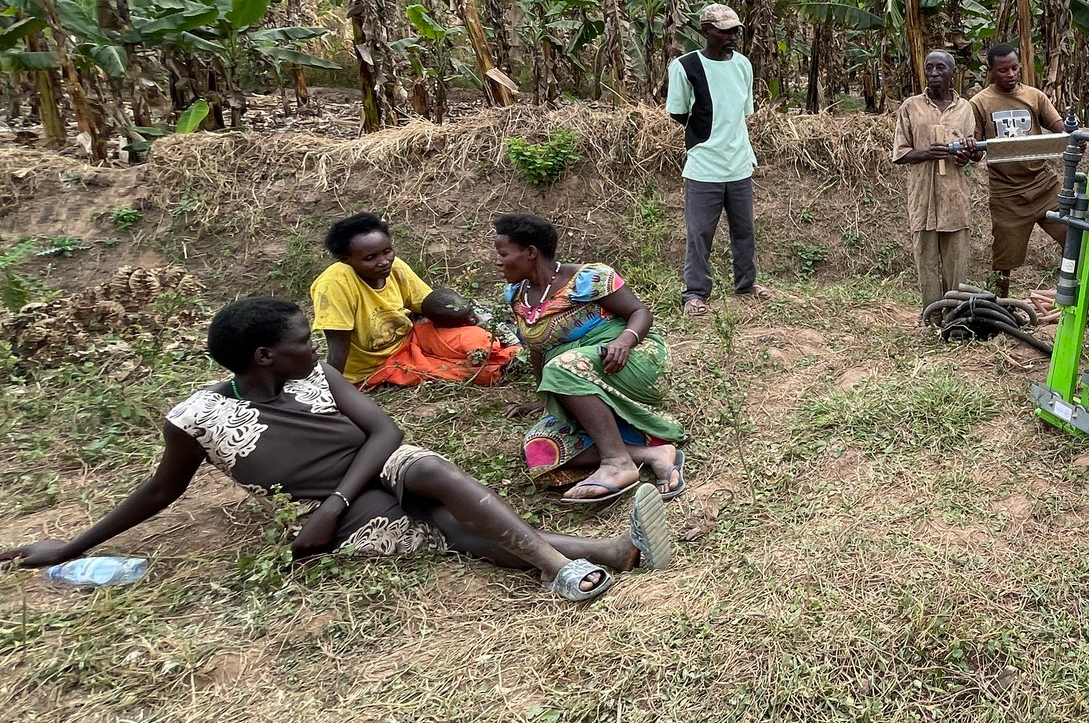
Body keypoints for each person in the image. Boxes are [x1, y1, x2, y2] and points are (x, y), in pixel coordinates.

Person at [0, 298, 672, 602]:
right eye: (301, 340)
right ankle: (613, 554)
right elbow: (158, 492)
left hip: (367, 479)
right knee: (456, 534)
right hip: (338, 518)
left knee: (431, 470)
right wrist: (72, 545)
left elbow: (386, 434)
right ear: (266, 355)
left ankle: (557, 567)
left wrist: (343, 496)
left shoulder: (318, 377)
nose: (315, 350)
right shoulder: (196, 417)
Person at [494, 212, 686, 504]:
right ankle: (653, 454)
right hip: (574, 374)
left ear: (530, 253)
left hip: (627, 359)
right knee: (540, 448)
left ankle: (616, 462)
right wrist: (544, 395)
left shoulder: (588, 278)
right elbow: (538, 350)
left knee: (562, 367)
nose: (497, 261)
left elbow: (640, 313)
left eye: (503, 254)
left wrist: (624, 341)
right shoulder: (517, 296)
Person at [666, 2, 764, 318]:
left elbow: (742, 112)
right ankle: (694, 294)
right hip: (704, 166)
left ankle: (746, 284)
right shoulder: (685, 66)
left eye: (735, 30)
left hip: (739, 163)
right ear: (705, 31)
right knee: (699, 234)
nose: (732, 36)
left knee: (744, 229)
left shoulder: (743, 65)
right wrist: (706, 136)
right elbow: (678, 112)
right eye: (724, 31)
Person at [968, 42, 1066, 297]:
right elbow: (977, 151)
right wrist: (969, 146)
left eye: (1014, 68)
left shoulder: (1035, 97)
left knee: (1074, 238)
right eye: (1003, 70)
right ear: (990, 71)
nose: (1010, 74)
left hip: (1044, 186)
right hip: (1007, 194)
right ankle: (1001, 306)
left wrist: (1071, 134)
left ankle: (1073, 294)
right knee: (1004, 260)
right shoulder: (980, 103)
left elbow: (1060, 130)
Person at [893, 50, 985, 311]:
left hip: (954, 196)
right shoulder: (911, 107)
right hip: (922, 197)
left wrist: (968, 152)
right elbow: (900, 153)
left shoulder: (965, 108)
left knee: (956, 260)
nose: (934, 73)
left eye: (941, 68)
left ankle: (955, 315)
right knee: (926, 259)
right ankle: (931, 315)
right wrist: (925, 153)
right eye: (930, 68)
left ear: (952, 73)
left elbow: (974, 152)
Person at [310, 213, 434, 384]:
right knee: (453, 368)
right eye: (370, 258)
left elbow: (427, 303)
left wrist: (460, 313)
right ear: (346, 259)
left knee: (473, 341)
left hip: (410, 343)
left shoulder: (393, 265)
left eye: (387, 251)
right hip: (374, 368)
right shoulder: (335, 283)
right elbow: (337, 345)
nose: (384, 261)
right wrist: (332, 390)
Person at [358, 290, 515, 389]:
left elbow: (508, 340)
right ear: (440, 324)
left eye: (471, 314)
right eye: (464, 321)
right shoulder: (465, 334)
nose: (472, 320)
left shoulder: (481, 315)